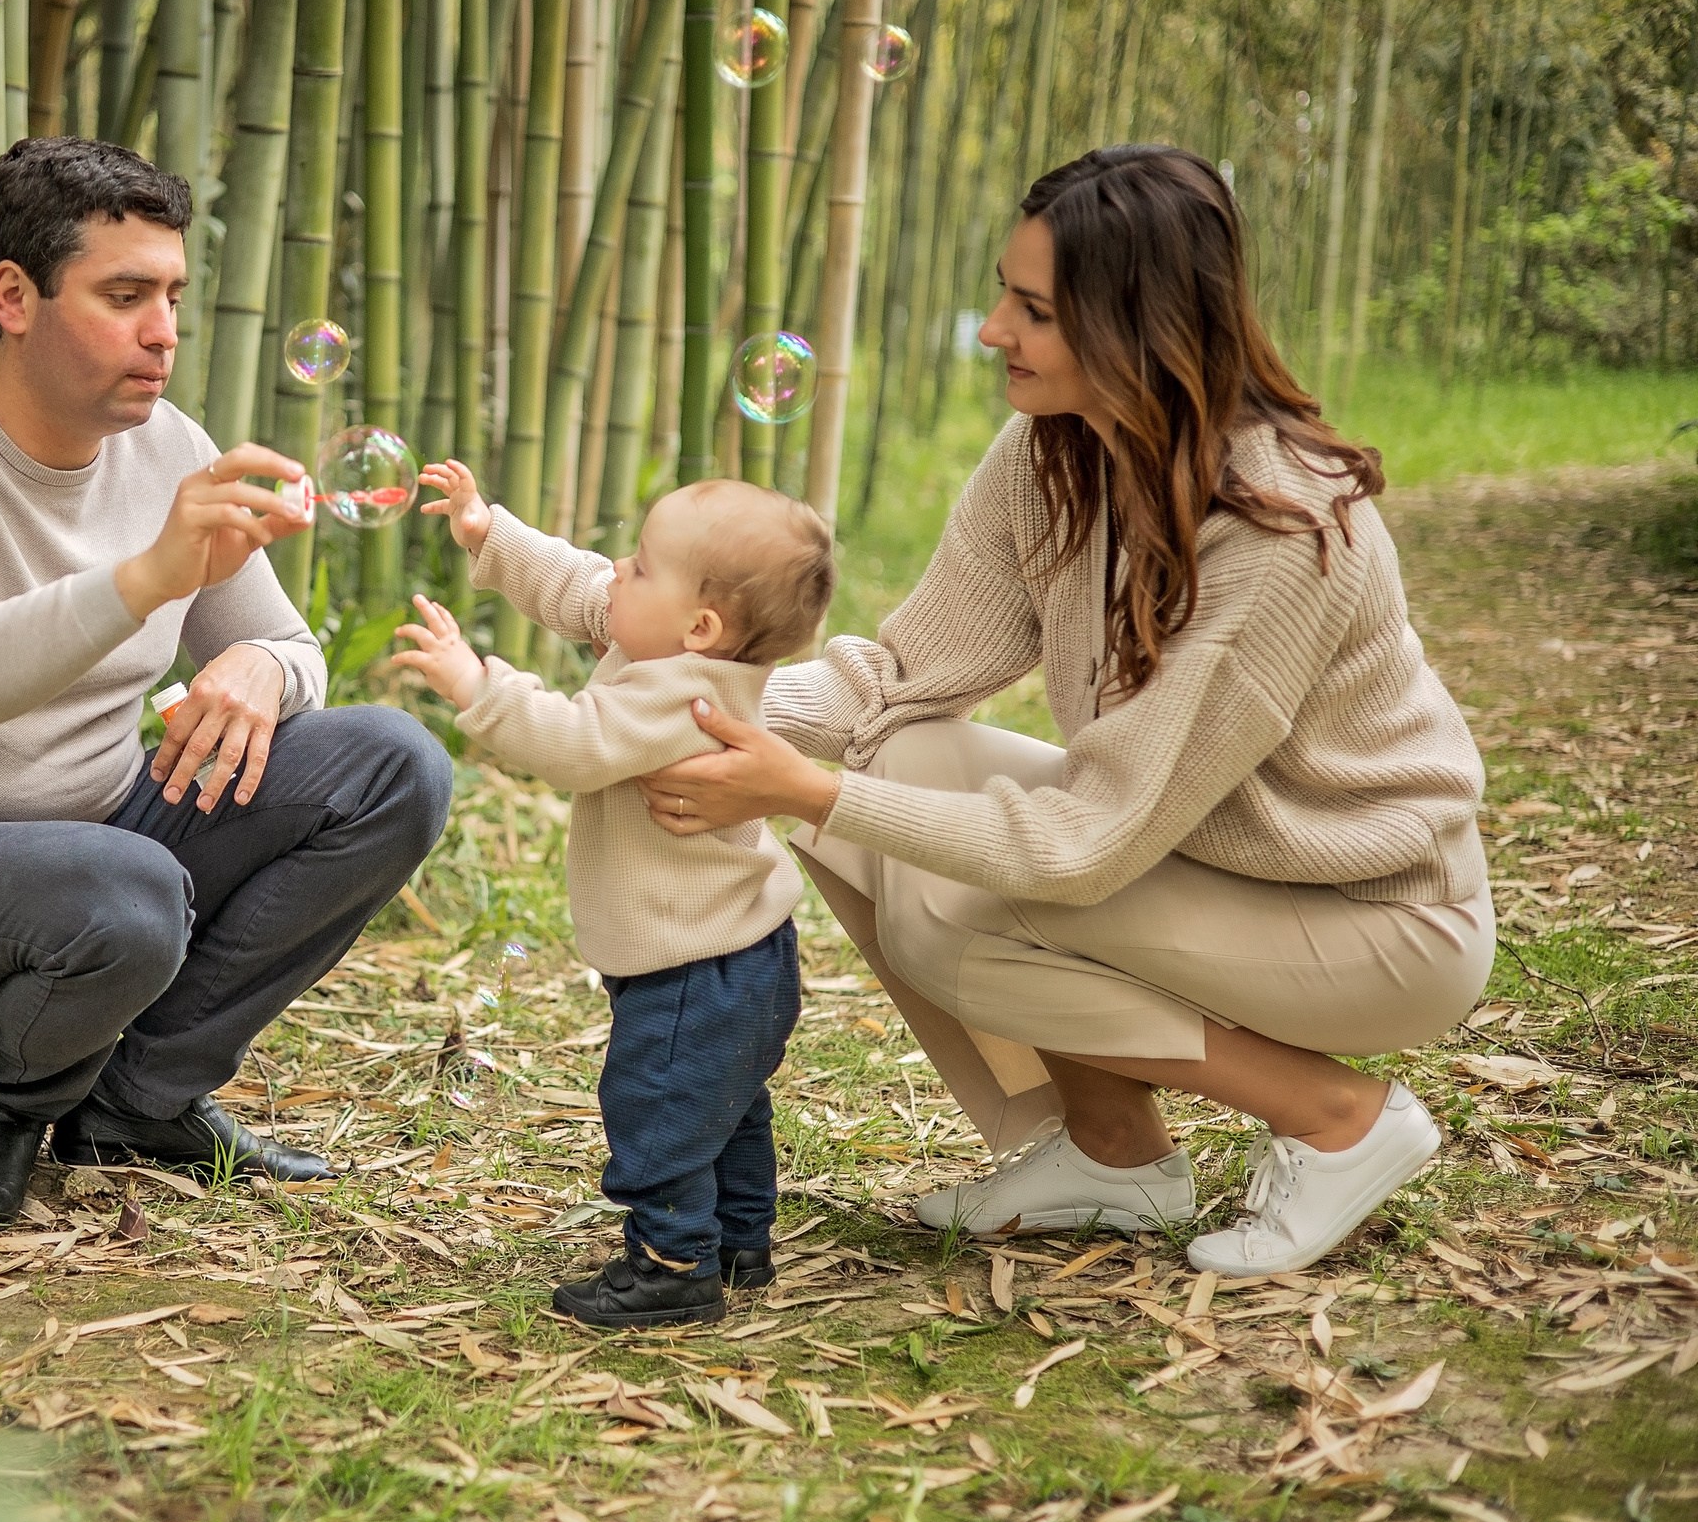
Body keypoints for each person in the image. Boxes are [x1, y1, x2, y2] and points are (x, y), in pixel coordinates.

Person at [632, 145, 1493, 1278]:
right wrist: (671, 695)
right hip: (1201, 858)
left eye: (1034, 311)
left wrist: (811, 788)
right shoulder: (1053, 450)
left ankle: (1341, 1119)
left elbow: (1087, 843)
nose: (994, 329)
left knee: (949, 915)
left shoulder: (1277, 528)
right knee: (900, 761)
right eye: (1006, 293)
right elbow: (897, 678)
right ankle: (1112, 1155)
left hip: (1375, 919)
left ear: (1141, 325)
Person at [0, 138, 452, 1223]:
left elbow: (293, 644)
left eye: (172, 296)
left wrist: (263, 666)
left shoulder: (166, 446)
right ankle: (7, 1112)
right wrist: (142, 582)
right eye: (125, 297)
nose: (162, 331)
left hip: (105, 841)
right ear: (14, 298)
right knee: (123, 890)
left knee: (394, 765)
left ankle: (138, 1100)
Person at [393, 463, 836, 1327]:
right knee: (725, 1103)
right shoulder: (676, 646)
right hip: (742, 951)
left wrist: (477, 684)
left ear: (699, 625)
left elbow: (574, 742)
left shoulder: (683, 695)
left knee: (660, 1106)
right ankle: (739, 1241)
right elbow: (578, 583)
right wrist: (491, 531)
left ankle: (672, 1265)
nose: (615, 573)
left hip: (693, 965)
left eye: (639, 565)